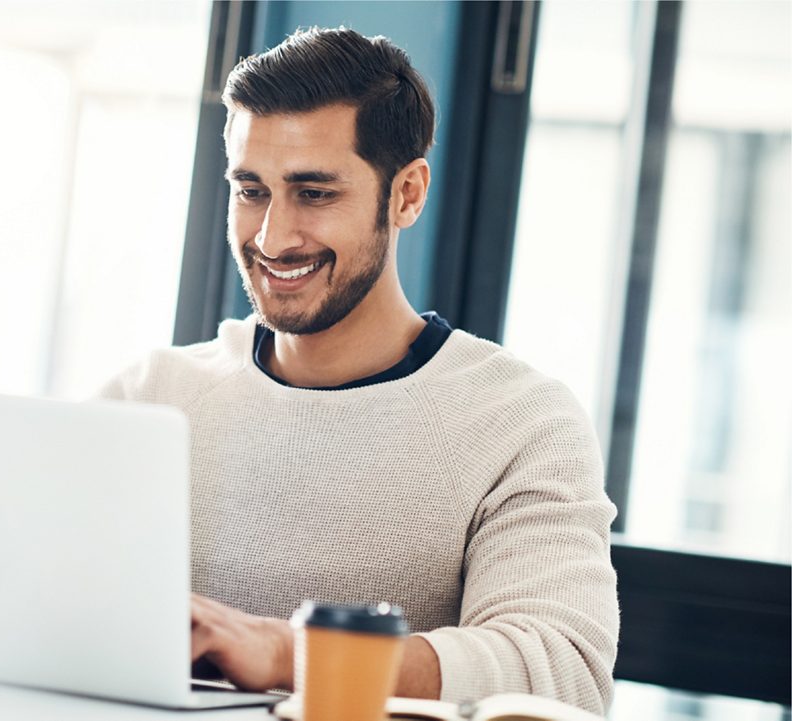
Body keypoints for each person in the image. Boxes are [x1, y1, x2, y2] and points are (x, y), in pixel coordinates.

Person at [99, 27, 619, 715]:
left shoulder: (521, 421)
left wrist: (289, 653)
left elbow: (563, 669)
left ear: (406, 194)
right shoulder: (150, 395)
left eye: (314, 194)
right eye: (252, 190)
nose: (272, 237)